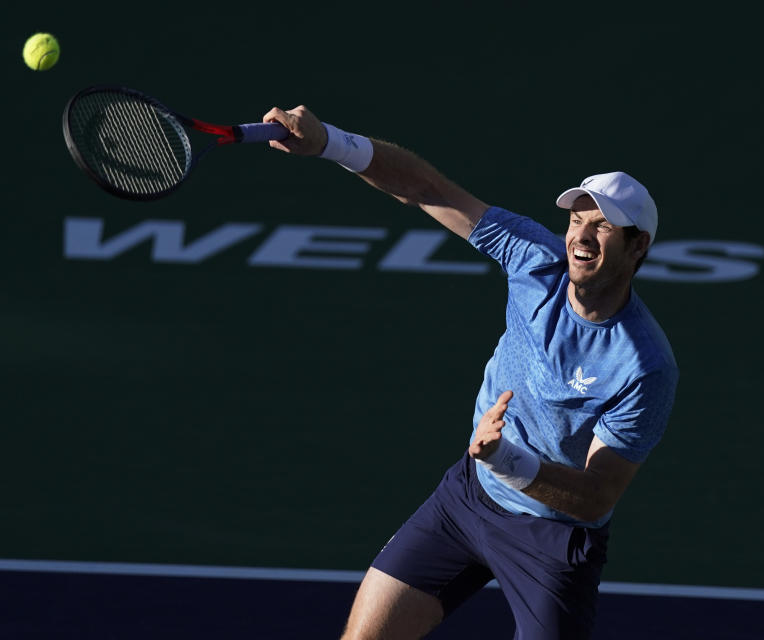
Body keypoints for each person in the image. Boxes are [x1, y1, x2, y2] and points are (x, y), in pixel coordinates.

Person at [262, 105, 679, 640]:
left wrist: (507, 459)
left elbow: (598, 495)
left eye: (603, 226)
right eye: (577, 220)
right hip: (465, 499)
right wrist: (329, 143)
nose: (582, 236)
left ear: (637, 245)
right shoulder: (534, 259)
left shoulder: (643, 364)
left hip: (551, 539)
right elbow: (426, 188)